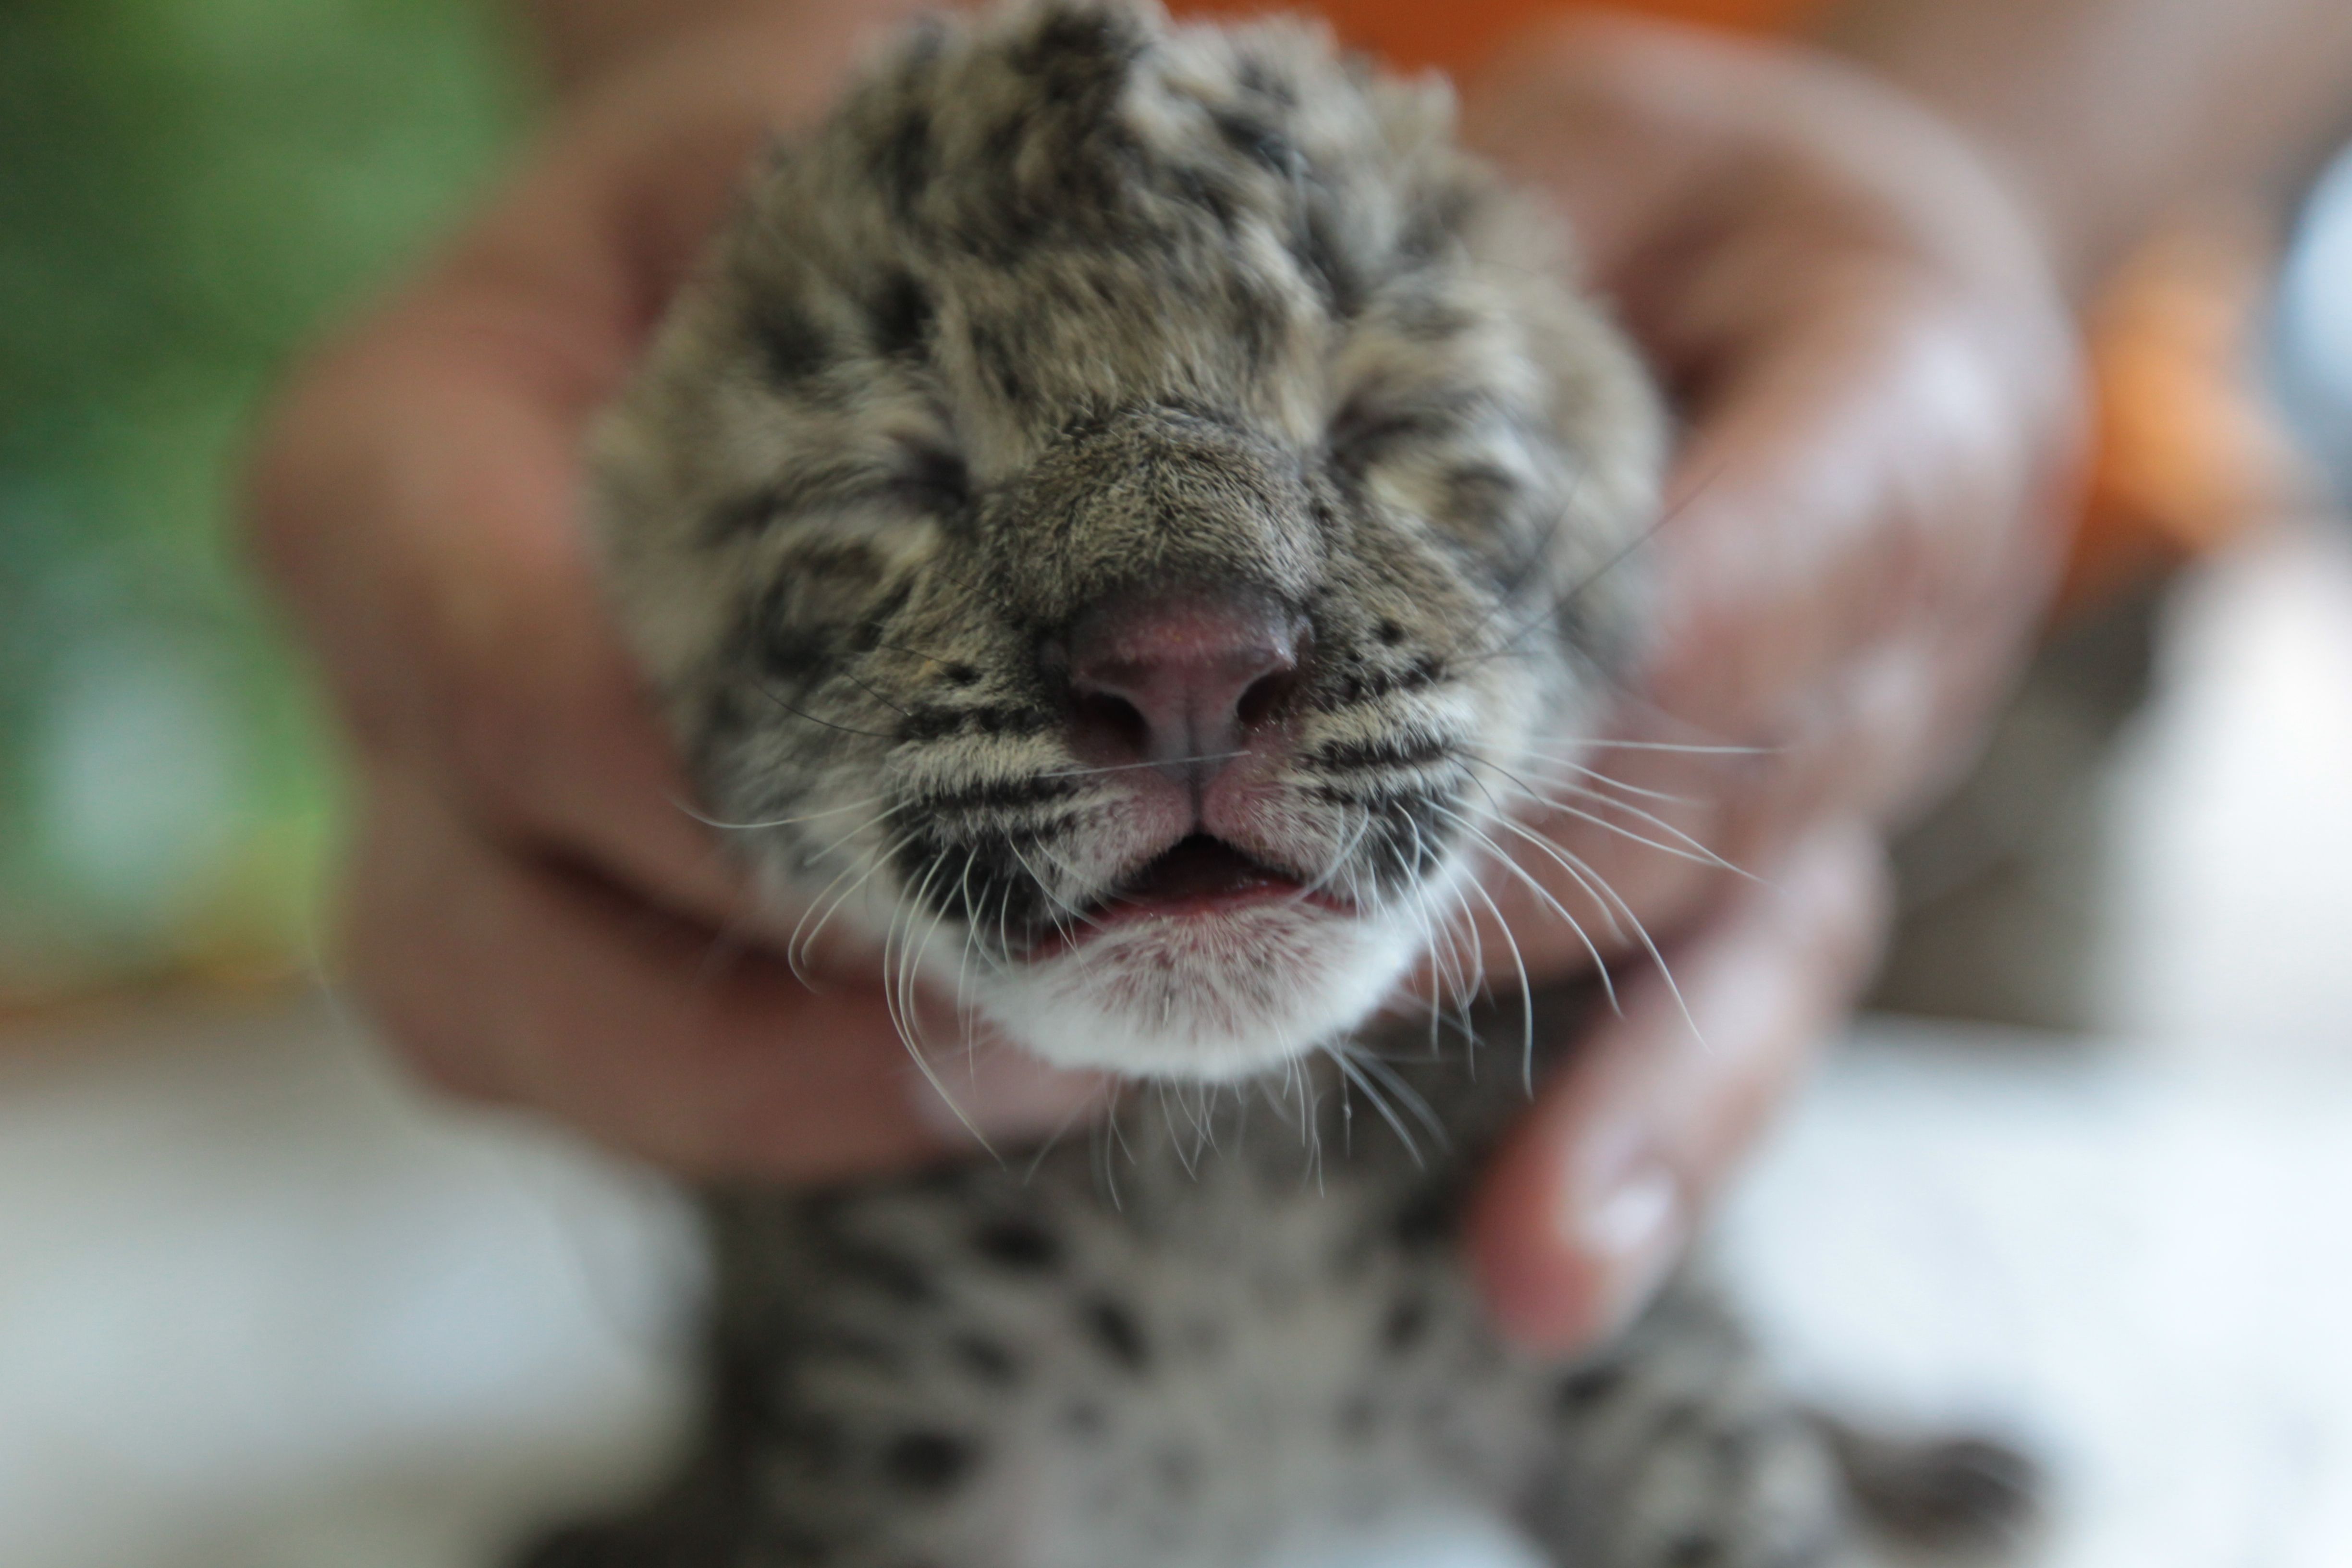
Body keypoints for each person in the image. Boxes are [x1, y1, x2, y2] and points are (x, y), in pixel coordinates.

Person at [244, 0, 2352, 1354]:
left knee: (1809, 1260)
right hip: (817, 863)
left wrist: (1989, 171)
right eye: (892, 480)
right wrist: (723, 111)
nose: (1189, 661)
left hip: (1905, 536)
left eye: (1374, 436)